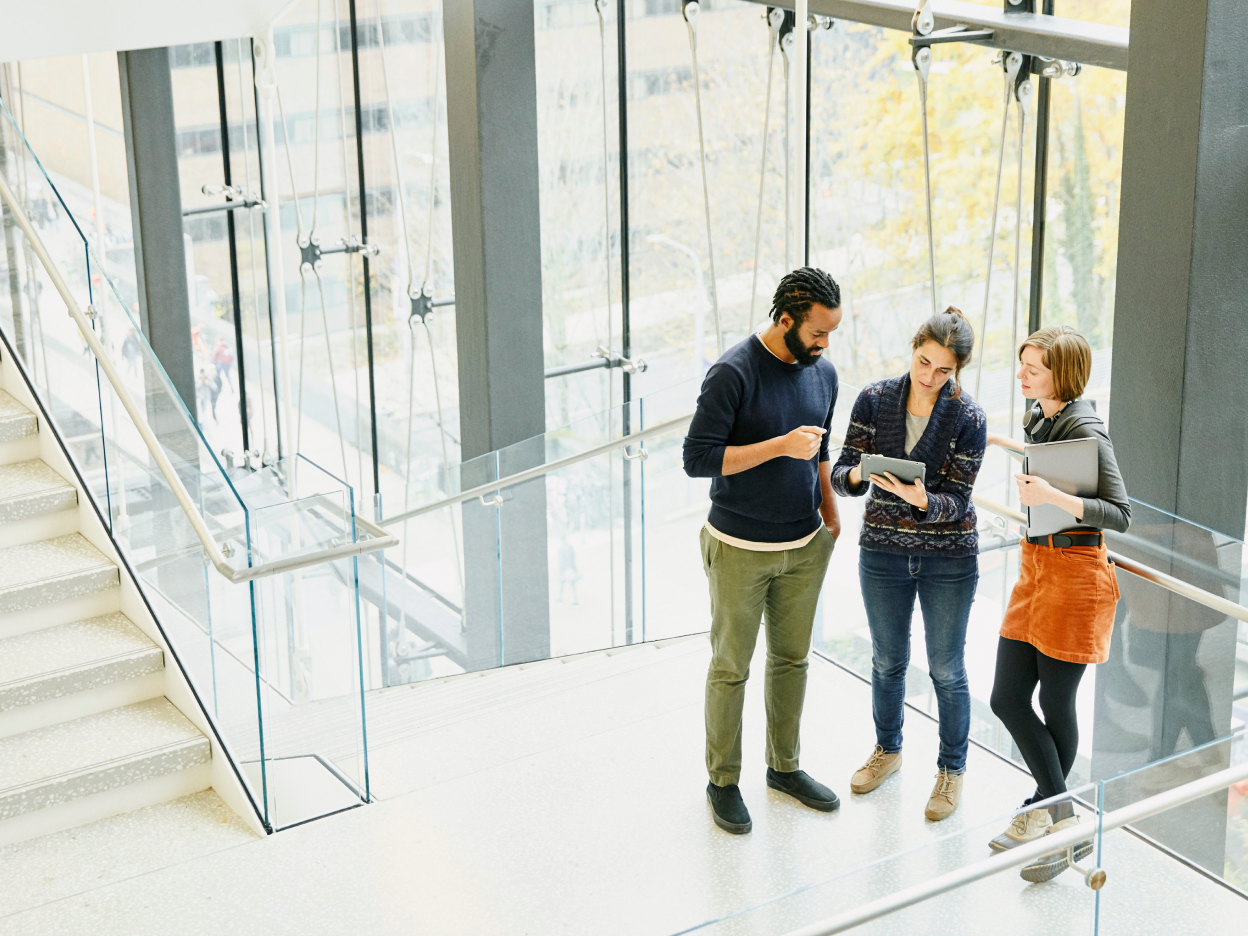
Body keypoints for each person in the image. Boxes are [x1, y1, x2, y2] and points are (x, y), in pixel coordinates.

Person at [683, 267, 843, 835]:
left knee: (793, 660)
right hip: (738, 548)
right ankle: (722, 781)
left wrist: (829, 508)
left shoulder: (823, 374)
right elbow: (697, 459)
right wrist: (779, 446)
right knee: (731, 668)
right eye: (818, 333)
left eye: (831, 334)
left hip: (805, 544)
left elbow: (822, 450)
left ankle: (785, 768)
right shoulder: (732, 372)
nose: (825, 345)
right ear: (785, 321)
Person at [984, 325, 1130, 883]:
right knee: (1006, 697)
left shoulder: (1086, 426)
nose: (1021, 375)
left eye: (1033, 369)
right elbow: (1056, 461)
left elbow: (1119, 512)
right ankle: (1059, 812)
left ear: (1062, 375)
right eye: (1021, 364)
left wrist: (1049, 496)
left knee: (1057, 702)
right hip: (1039, 567)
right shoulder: (1042, 415)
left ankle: (1049, 815)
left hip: (1074, 575)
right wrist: (1012, 447)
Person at [831, 308, 986, 822]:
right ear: (914, 347)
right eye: (924, 362)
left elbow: (960, 500)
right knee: (886, 660)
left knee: (946, 668)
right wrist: (859, 480)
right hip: (883, 553)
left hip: (949, 559)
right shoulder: (875, 400)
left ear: (957, 371)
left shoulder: (970, 418)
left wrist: (924, 501)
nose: (930, 376)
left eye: (944, 371)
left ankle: (951, 770)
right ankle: (888, 750)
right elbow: (841, 470)